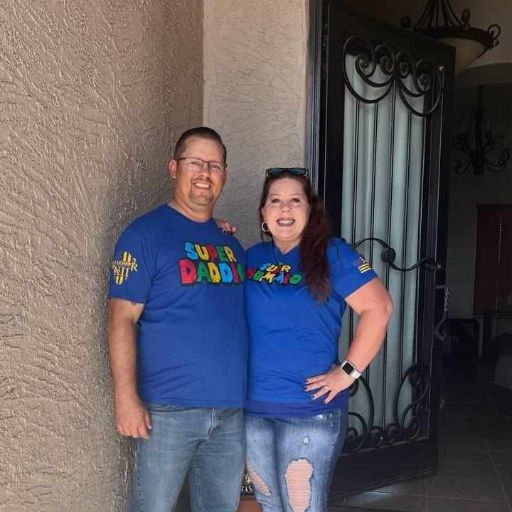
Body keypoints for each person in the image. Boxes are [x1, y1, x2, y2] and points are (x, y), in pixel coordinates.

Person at [107, 127, 249, 512]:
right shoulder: (144, 235)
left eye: (214, 165)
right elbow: (121, 318)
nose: (205, 172)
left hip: (230, 410)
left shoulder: (231, 244)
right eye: (195, 163)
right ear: (174, 168)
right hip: (167, 411)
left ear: (224, 176)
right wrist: (125, 396)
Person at [244, 167, 393, 512]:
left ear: (309, 211)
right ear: (263, 213)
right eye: (275, 201)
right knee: (267, 502)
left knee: (304, 506)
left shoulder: (333, 254)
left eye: (295, 201)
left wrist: (347, 372)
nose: (285, 209)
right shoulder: (250, 258)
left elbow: (379, 308)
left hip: (310, 411)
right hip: (253, 409)